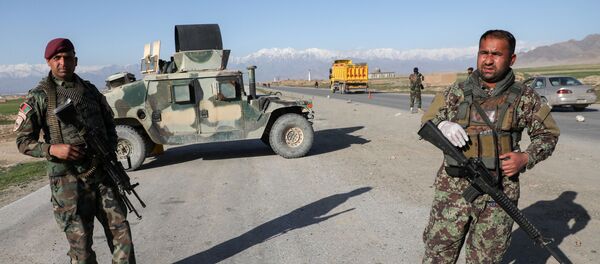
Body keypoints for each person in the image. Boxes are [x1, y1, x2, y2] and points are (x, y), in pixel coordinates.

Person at [420, 30, 560, 263]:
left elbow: (548, 135)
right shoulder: (456, 92)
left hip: (499, 190)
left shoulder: (524, 97)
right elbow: (427, 122)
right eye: (483, 52)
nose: (488, 59)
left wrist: (525, 158)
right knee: (438, 252)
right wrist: (443, 124)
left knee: (487, 257)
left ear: (511, 59)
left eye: (496, 54)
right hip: (452, 190)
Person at [14, 38, 136, 263]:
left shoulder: (90, 91)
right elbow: (23, 141)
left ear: (76, 60)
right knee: (81, 247)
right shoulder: (40, 96)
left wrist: (108, 152)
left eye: (67, 57)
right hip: (68, 181)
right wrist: (52, 149)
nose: (62, 62)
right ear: (48, 62)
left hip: (103, 174)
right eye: (56, 58)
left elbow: (109, 124)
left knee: (121, 233)